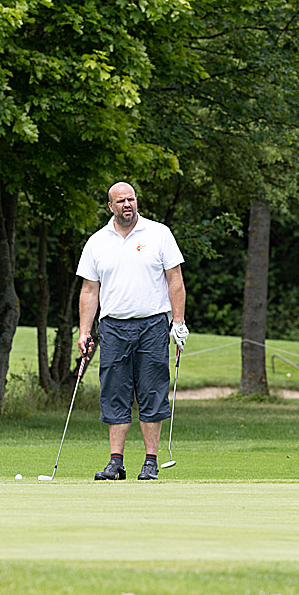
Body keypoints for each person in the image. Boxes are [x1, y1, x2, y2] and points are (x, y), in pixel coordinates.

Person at [77, 181, 188, 481]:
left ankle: (150, 461)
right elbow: (89, 290)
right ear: (110, 206)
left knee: (152, 391)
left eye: (131, 199)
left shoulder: (159, 233)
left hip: (152, 324)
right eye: (121, 201)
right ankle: (116, 463)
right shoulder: (97, 242)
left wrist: (178, 322)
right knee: (114, 392)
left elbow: (174, 279)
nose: (127, 204)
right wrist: (84, 331)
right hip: (112, 327)